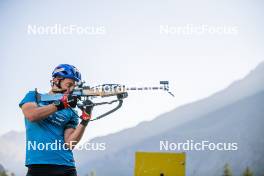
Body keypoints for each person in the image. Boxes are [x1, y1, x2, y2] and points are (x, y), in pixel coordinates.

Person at [19, 64, 92, 176]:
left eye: (74, 86)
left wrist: (85, 120)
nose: (71, 89)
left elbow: (69, 143)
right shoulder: (33, 96)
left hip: (66, 167)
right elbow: (32, 115)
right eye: (69, 85)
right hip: (38, 166)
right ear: (56, 80)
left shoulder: (71, 111)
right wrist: (61, 104)